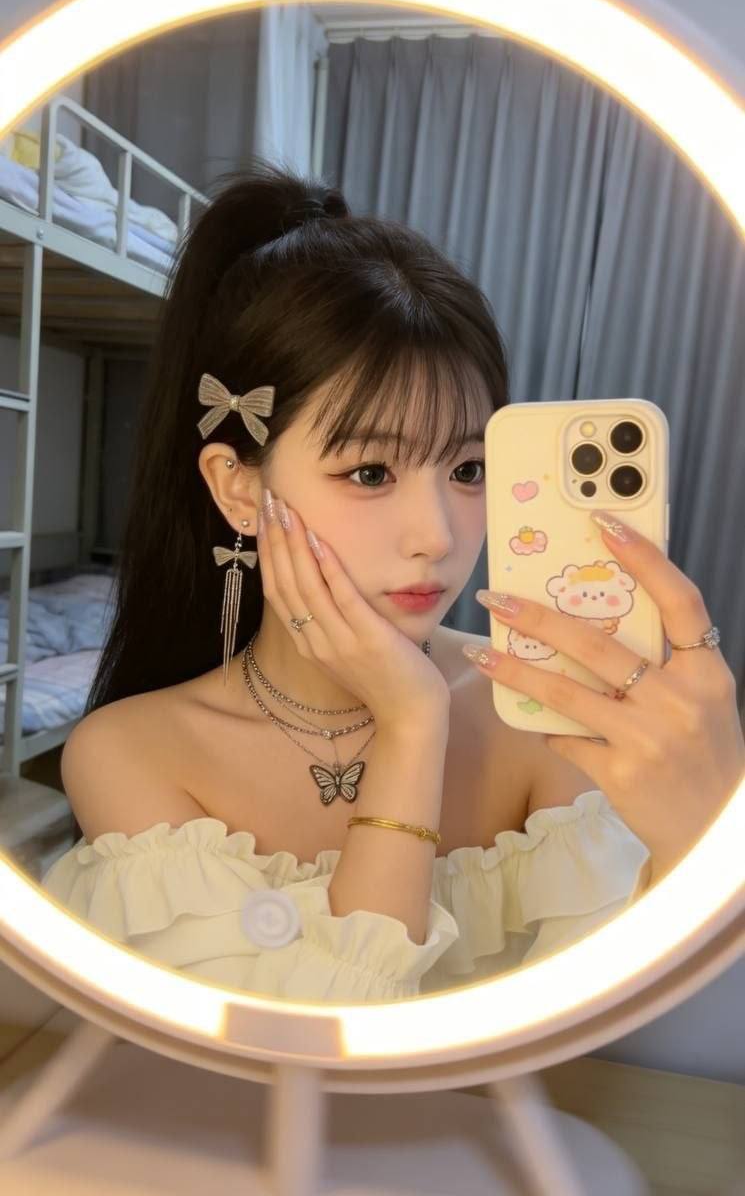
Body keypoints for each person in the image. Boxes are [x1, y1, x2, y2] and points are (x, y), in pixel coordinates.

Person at [41, 157, 650, 1003]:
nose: (437, 536)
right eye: (369, 473)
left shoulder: (544, 710)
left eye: (468, 468)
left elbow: (618, 1010)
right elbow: (309, 1051)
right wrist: (409, 724)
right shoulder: (128, 754)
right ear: (238, 488)